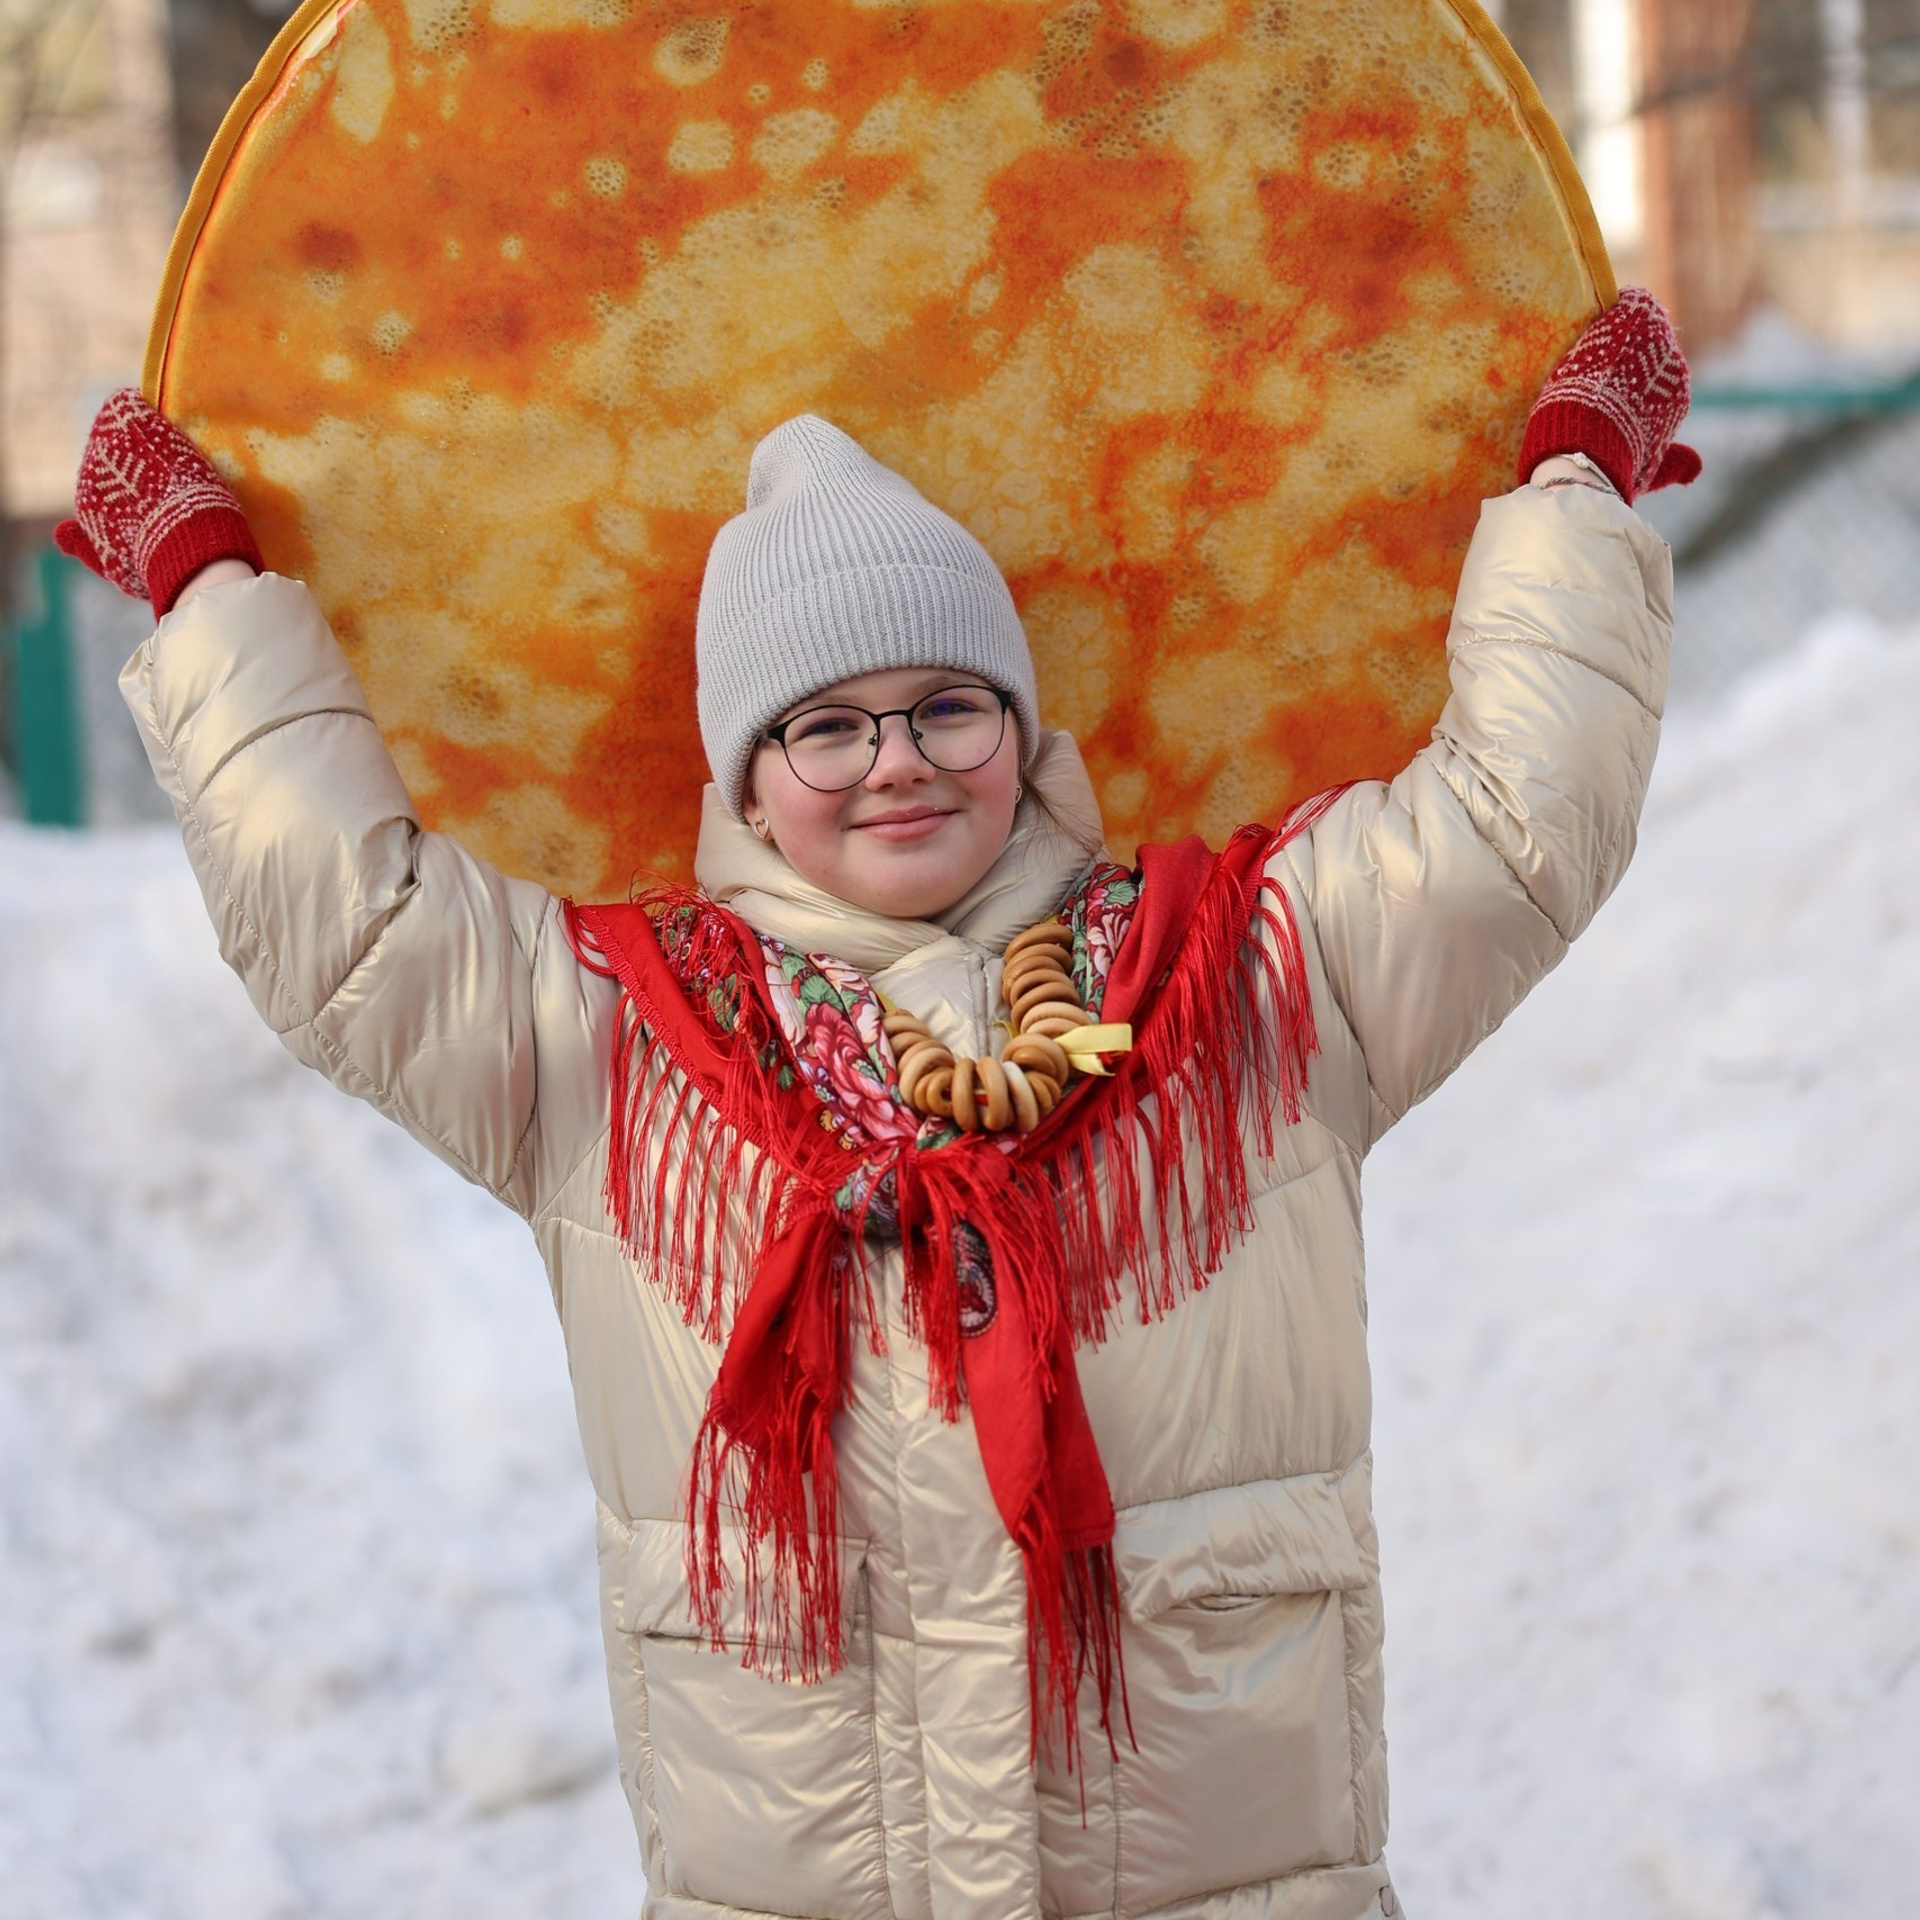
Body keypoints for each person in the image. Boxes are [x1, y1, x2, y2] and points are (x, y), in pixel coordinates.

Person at [59, 288, 1694, 1920]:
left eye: (946, 707)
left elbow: (1513, 825)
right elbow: (348, 918)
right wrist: (211, 595)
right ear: (744, 782)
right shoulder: (610, 1045)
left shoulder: (1247, 980)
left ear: (1020, 728)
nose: (895, 761)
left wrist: (1568, 492)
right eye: (824, 727)